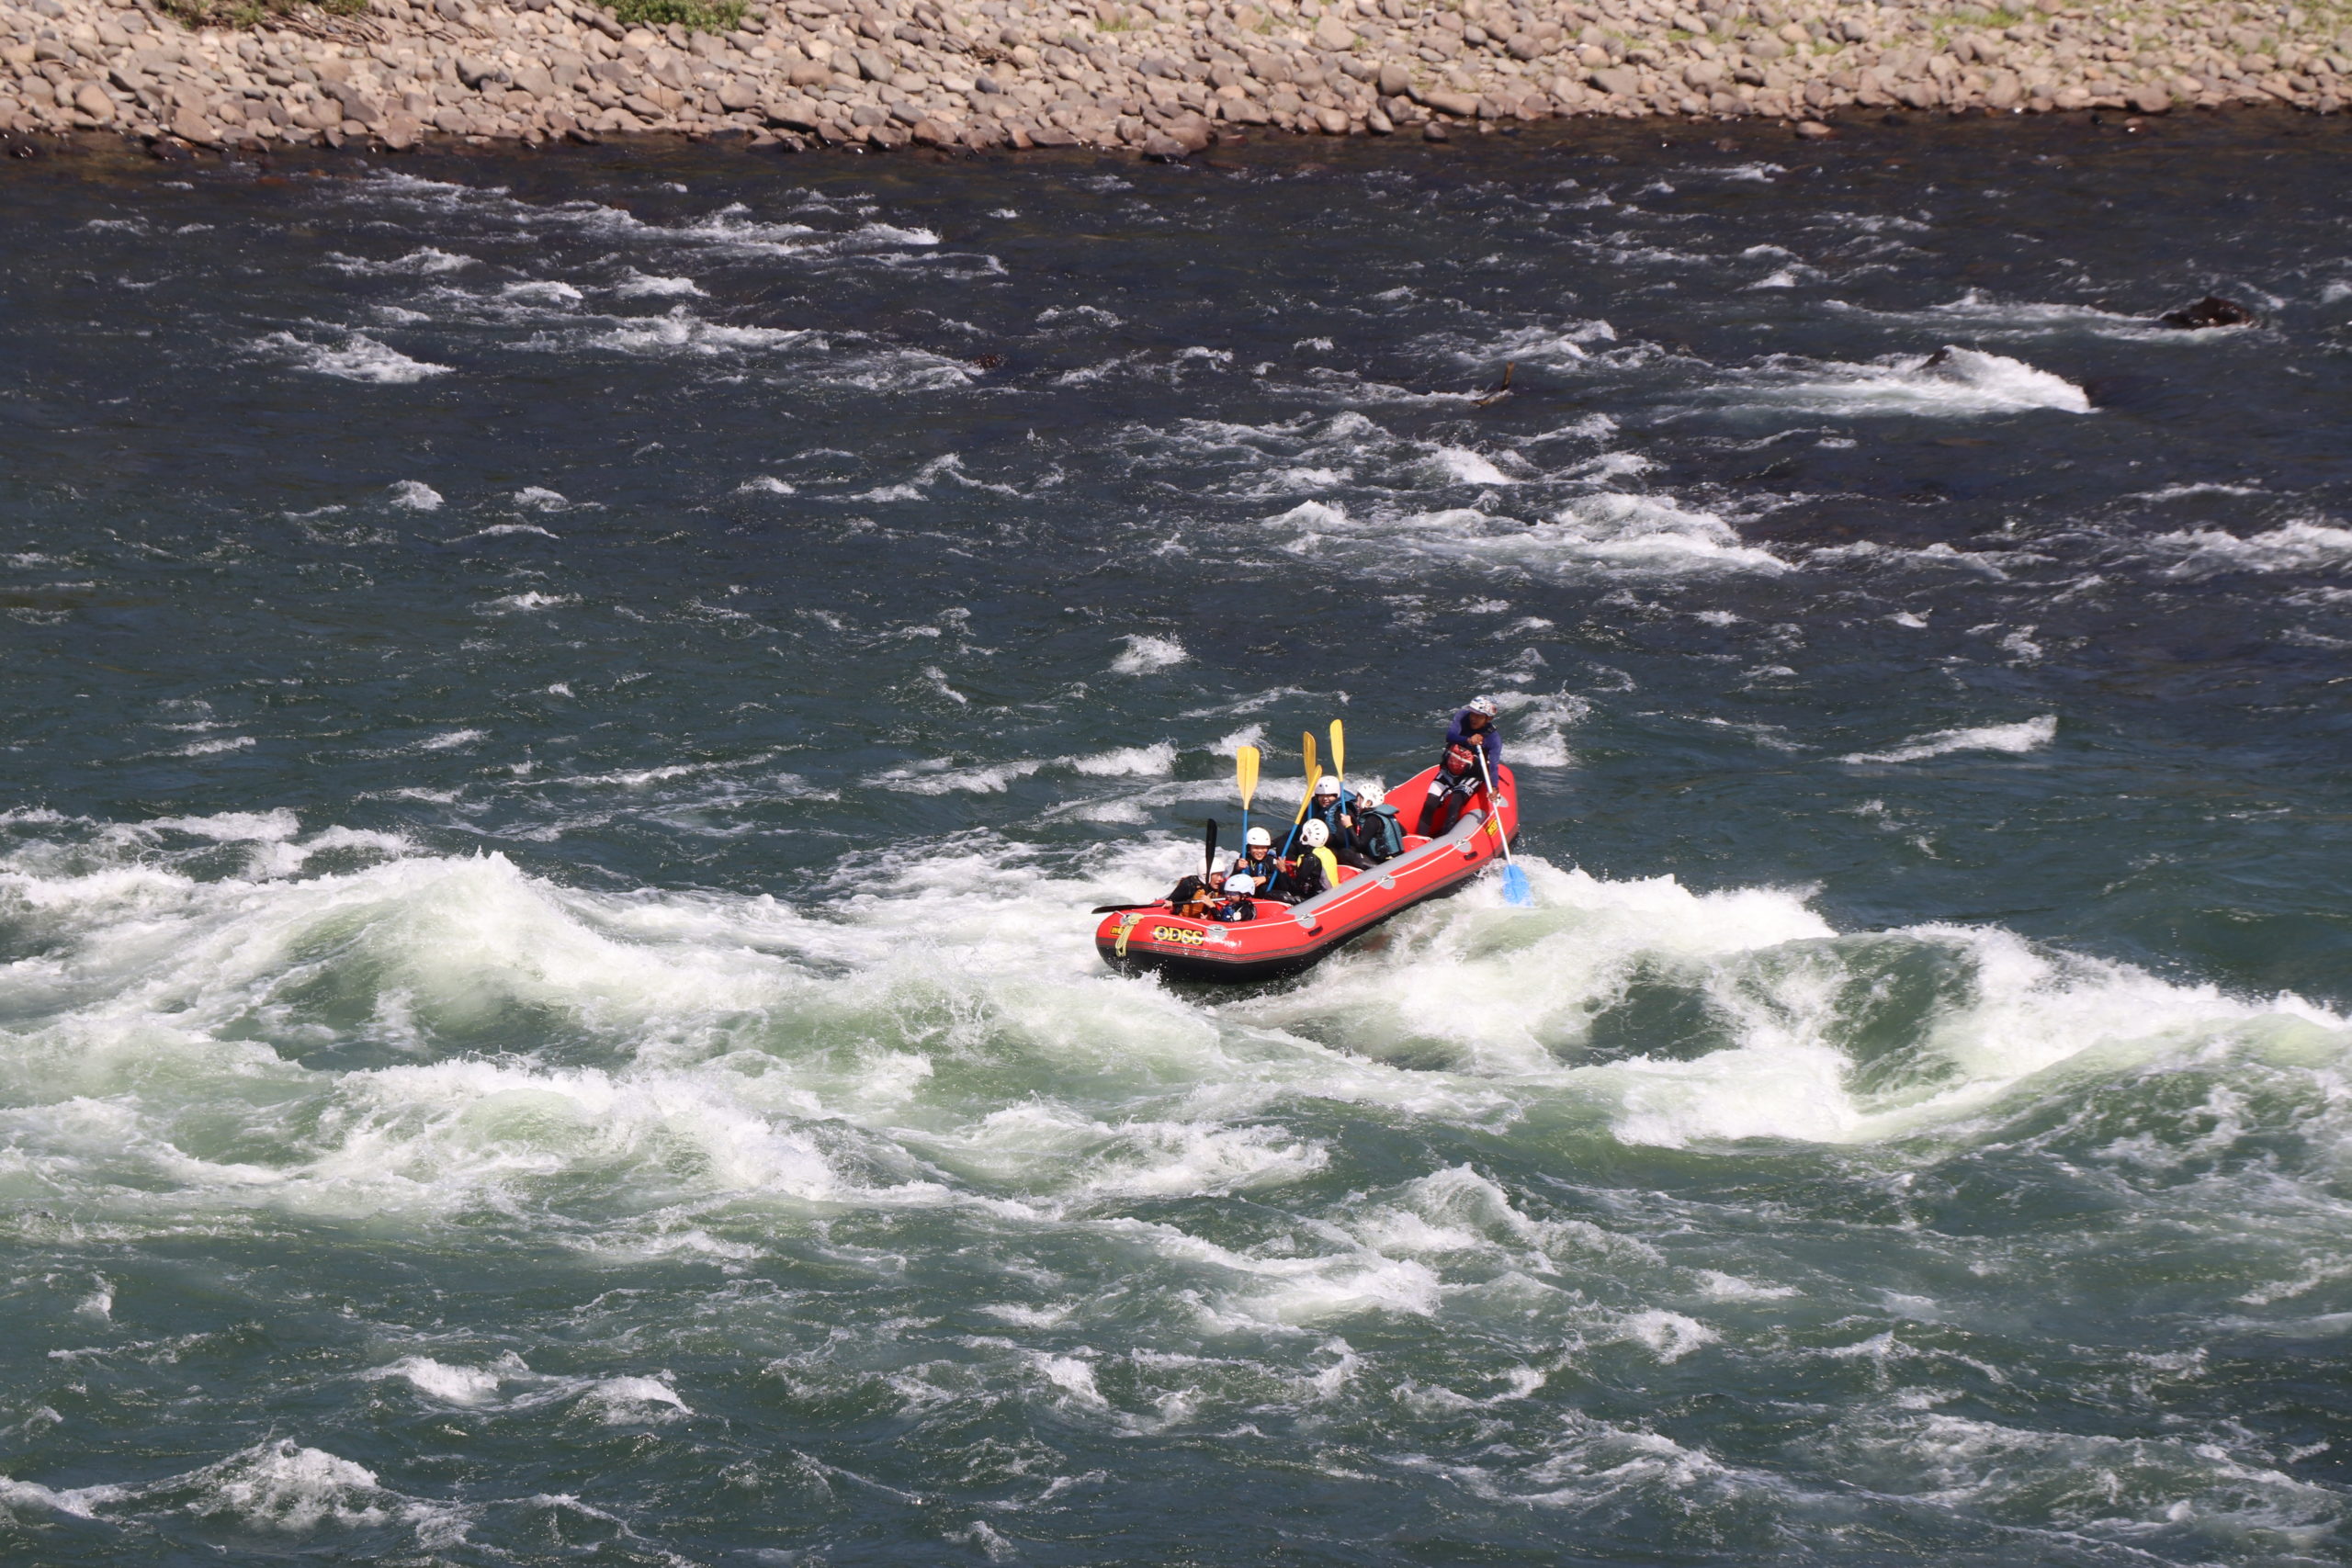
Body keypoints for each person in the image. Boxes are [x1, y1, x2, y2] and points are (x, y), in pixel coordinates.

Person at [1423, 695, 1502, 837]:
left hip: (1471, 776)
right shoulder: (1462, 716)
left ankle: (1445, 839)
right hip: (1449, 770)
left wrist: (1494, 787)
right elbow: (1450, 736)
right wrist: (1468, 740)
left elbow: (1494, 765)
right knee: (1430, 803)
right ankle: (1420, 837)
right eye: (1472, 714)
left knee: (1454, 804)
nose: (1473, 718)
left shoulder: (1493, 739)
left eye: (1479, 716)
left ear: (1488, 718)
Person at [1283, 819, 1340, 902]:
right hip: (1332, 892)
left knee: (1270, 894)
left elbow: (1296, 887)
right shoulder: (1327, 852)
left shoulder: (1310, 858)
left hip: (1317, 899)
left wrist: (1283, 871)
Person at [1351, 780, 1407, 863]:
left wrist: (1348, 826)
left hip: (1383, 861)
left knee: (1346, 853)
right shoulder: (1387, 814)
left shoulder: (1372, 819)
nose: (1356, 803)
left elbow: (1360, 845)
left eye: (1359, 800)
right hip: (1397, 855)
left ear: (1368, 802)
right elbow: (1403, 832)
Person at [1231, 827, 1280, 896]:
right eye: (1256, 848)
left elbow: (1278, 877)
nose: (1260, 851)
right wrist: (1237, 868)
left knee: (1264, 888)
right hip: (1246, 890)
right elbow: (1233, 879)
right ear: (1249, 848)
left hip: (1263, 891)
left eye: (1263, 848)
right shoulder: (1244, 858)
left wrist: (1265, 878)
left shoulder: (1270, 860)